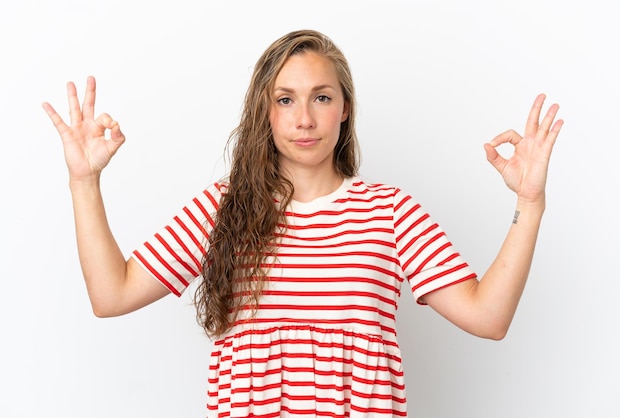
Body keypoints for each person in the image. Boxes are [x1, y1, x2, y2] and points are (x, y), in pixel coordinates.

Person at [42, 29, 563, 417]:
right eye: (285, 100)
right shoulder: (222, 209)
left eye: (321, 97)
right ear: (265, 114)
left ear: (344, 110)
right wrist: (84, 181)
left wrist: (530, 203)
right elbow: (111, 296)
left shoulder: (391, 212)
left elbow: (488, 318)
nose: (304, 119)